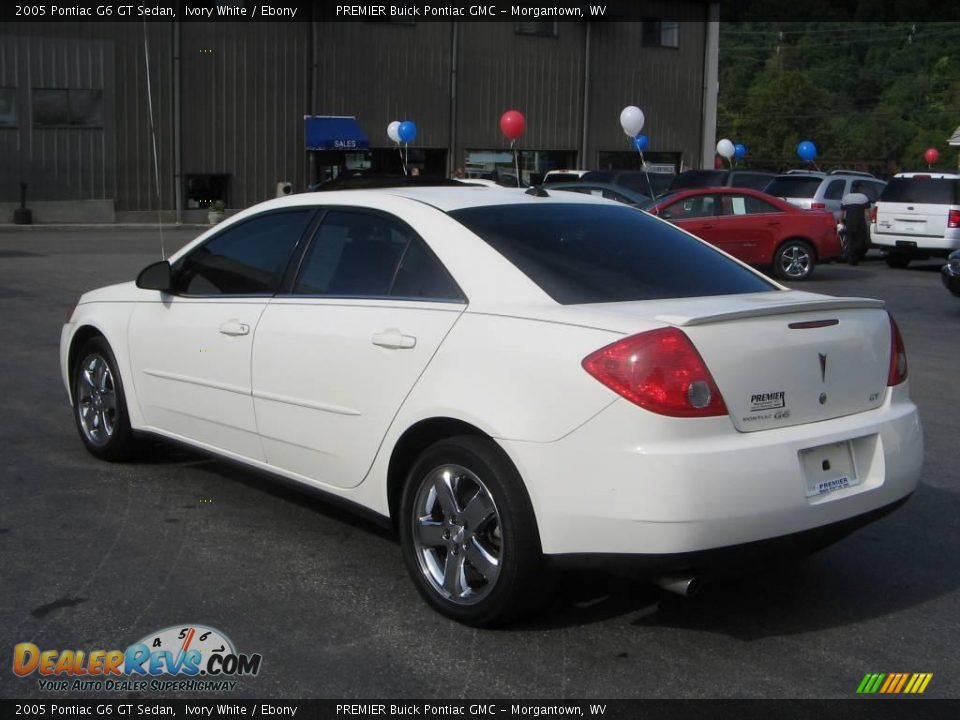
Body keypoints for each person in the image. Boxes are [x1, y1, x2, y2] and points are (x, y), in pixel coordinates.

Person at [840, 192, 870, 265]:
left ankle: (850, 257)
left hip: (849, 222)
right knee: (859, 240)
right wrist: (868, 221)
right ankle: (855, 257)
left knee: (850, 240)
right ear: (860, 189)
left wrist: (841, 221)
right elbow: (866, 213)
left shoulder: (846, 198)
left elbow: (842, 212)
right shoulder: (863, 197)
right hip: (860, 222)